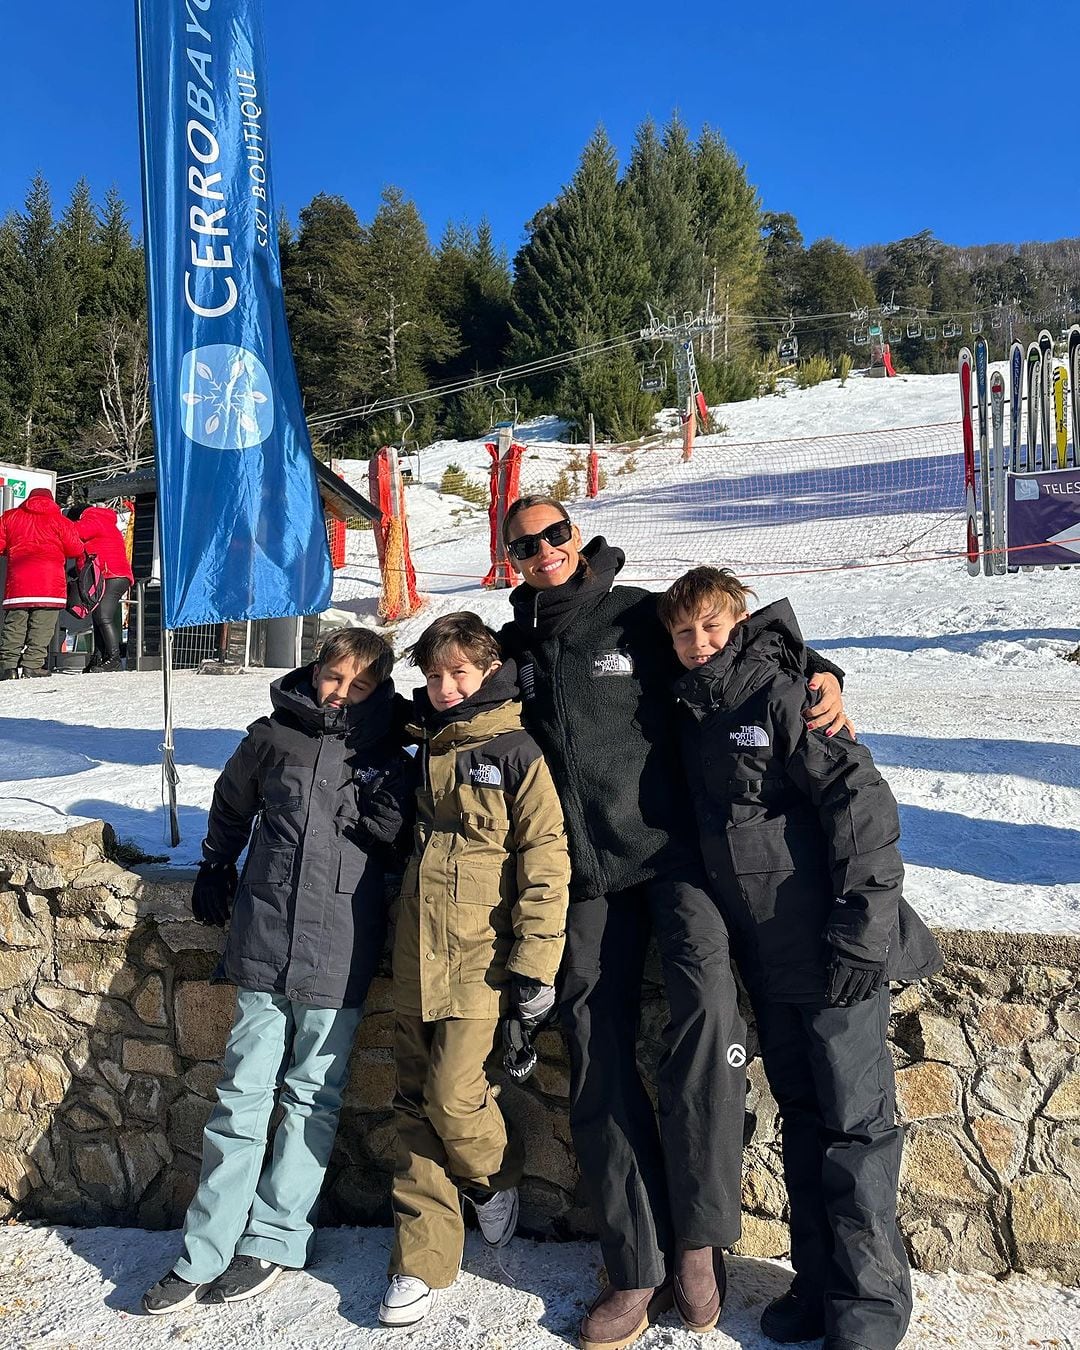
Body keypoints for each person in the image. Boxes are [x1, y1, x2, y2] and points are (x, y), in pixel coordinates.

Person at [498, 497, 849, 1350]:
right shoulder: (518, 650)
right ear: (511, 556)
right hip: (588, 878)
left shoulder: (640, 615)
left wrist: (822, 670)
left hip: (680, 860)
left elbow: (732, 646)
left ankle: (699, 1241)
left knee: (706, 1024)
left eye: (555, 534)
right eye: (525, 543)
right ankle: (636, 1261)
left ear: (576, 537)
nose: (544, 550)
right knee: (592, 1046)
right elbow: (457, 701)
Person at [659, 566, 942, 1350]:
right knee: (807, 1126)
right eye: (683, 632)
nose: (698, 643)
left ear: (741, 619)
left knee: (858, 1132)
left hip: (832, 948)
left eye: (712, 626)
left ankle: (870, 1315)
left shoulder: (786, 695)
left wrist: (861, 929)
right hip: (768, 958)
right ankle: (819, 1287)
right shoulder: (693, 710)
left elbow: (863, 805)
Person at [143, 627, 411, 1314]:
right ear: (315, 670)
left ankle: (275, 1237)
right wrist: (213, 863)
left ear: (378, 688)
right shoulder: (271, 737)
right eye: (334, 676)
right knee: (240, 1097)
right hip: (264, 942)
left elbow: (413, 844)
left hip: (340, 951)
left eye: (360, 683)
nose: (341, 691)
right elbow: (233, 803)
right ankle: (203, 1248)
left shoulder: (389, 753)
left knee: (311, 1098)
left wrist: (396, 824)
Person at [380, 612, 570, 1329]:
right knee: (411, 1101)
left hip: (478, 961)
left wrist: (535, 962)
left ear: (489, 669)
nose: (444, 686)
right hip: (413, 952)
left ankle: (495, 1181)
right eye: (432, 675)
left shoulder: (517, 752)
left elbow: (546, 861)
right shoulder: (424, 743)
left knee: (455, 1096)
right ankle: (421, 1259)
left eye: (458, 672)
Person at [0, 487, 85, 679]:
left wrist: (13, 551)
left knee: (15, 624)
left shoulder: (10, 517)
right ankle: (32, 665)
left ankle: (8, 667)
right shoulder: (61, 521)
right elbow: (75, 549)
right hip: (49, 583)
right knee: (42, 626)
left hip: (18, 582)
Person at [71, 504, 134, 673]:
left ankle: (113, 659)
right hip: (112, 575)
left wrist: (57, 523)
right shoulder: (104, 520)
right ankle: (98, 658)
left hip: (110, 575)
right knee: (98, 617)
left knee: (103, 617)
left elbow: (73, 532)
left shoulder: (93, 519)